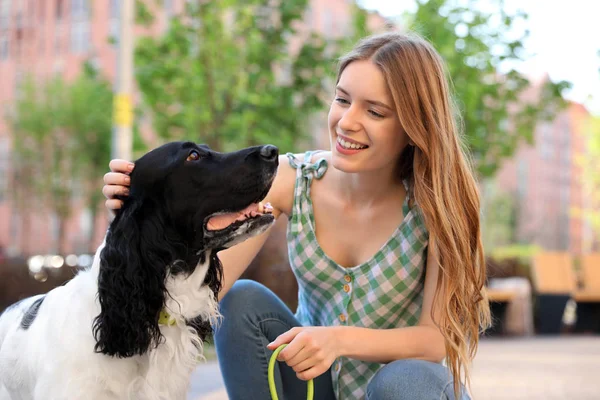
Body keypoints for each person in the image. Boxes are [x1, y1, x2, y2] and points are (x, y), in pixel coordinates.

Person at [103, 32, 490, 400]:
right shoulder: (293, 180)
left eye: (375, 111)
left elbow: (436, 339)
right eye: (342, 100)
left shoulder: (440, 205)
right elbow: (205, 288)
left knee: (405, 379)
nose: (347, 121)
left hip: (403, 392)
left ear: (413, 126)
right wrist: (141, 208)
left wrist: (337, 339)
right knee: (241, 303)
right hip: (311, 386)